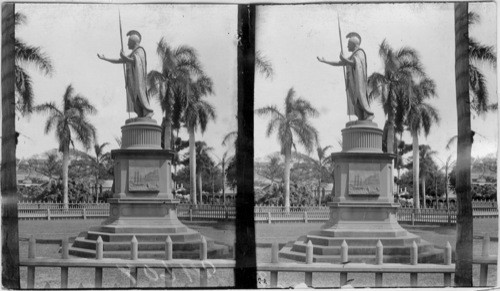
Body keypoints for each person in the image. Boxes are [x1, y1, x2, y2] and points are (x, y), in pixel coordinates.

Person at [317, 32, 374, 121]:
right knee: (356, 101)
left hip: (359, 83)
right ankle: (361, 118)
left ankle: (369, 114)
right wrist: (325, 61)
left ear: (353, 44)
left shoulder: (360, 52)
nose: (347, 47)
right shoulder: (352, 56)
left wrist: (345, 60)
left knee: (361, 98)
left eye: (348, 45)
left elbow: (356, 63)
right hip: (352, 83)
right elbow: (339, 63)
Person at [98, 30, 154, 118]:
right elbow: (119, 61)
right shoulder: (132, 54)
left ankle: (148, 111)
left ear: (133, 42)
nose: (127, 45)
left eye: (129, 43)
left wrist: (125, 58)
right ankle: (140, 113)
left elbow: (136, 61)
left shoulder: (140, 50)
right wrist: (105, 58)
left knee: (140, 95)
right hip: (132, 81)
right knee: (134, 98)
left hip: (138, 81)